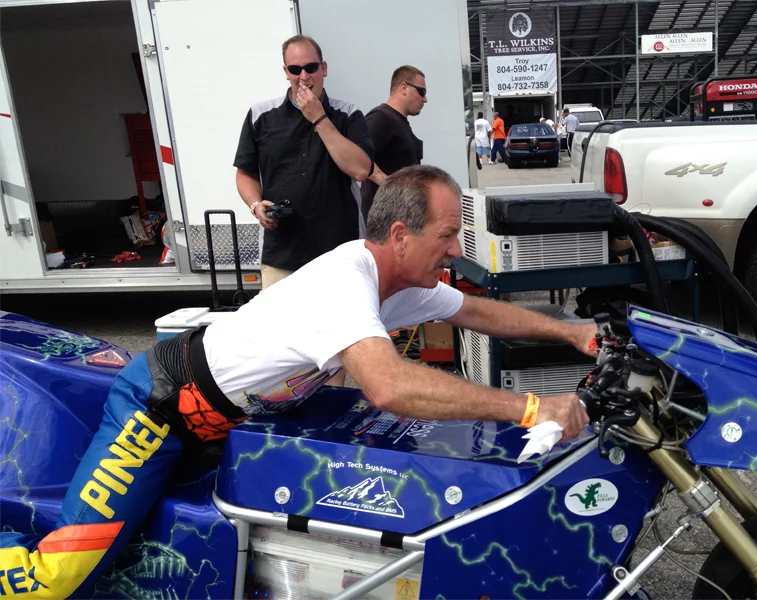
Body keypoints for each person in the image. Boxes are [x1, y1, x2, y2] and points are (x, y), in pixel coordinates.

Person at [0, 165, 593, 598]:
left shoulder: (403, 284)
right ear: (401, 237)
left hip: (234, 420)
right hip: (159, 411)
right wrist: (528, 407)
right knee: (59, 580)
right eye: (445, 235)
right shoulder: (345, 283)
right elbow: (387, 386)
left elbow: (474, 312)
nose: (454, 249)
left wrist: (573, 335)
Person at [234, 34, 374, 291]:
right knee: (282, 330)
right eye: (295, 69)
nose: (304, 76)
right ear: (286, 72)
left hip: (340, 251)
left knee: (343, 329)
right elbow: (245, 173)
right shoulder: (261, 115)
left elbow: (360, 170)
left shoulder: (348, 115)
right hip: (282, 253)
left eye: (311, 68)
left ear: (324, 68)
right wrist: (256, 205)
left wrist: (319, 118)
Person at [360, 65, 427, 220]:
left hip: (403, 216)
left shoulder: (398, 121)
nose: (424, 99)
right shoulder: (381, 118)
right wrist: (391, 186)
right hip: (386, 220)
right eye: (421, 91)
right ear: (403, 87)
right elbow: (359, 156)